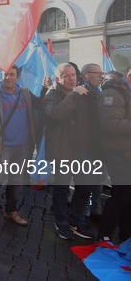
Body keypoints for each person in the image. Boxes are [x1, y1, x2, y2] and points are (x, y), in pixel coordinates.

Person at [0, 66, 46, 228]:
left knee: (16, 181)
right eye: (5, 75)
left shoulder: (24, 92)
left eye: (11, 74)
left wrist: (44, 88)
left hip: (23, 146)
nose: (8, 77)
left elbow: (40, 104)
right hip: (2, 147)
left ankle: (11, 211)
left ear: (18, 77)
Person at [43, 63, 95, 240]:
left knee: (85, 187)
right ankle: (62, 222)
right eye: (67, 76)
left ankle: (76, 220)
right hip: (62, 151)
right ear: (58, 79)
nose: (72, 79)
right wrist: (74, 94)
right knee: (62, 188)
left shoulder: (83, 93)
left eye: (74, 75)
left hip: (83, 150)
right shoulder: (51, 95)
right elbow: (57, 114)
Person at [97, 69, 131, 243]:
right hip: (117, 154)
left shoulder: (126, 93)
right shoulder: (112, 94)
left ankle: (125, 235)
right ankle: (105, 234)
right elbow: (110, 124)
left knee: (126, 196)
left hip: (126, 153)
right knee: (121, 195)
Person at [80, 63, 106, 225]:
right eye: (96, 73)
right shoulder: (81, 93)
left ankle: (95, 208)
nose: (100, 76)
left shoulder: (100, 92)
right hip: (86, 144)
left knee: (99, 179)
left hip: (100, 144)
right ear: (86, 75)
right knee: (86, 181)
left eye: (101, 73)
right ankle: (84, 213)